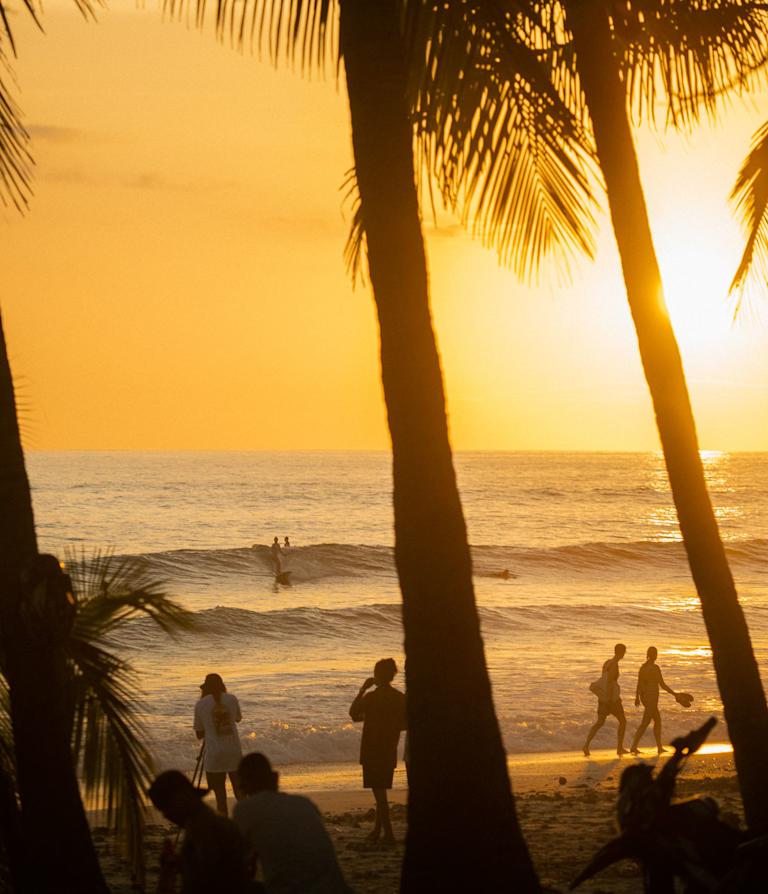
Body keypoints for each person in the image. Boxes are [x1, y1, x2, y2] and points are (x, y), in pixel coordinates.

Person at [233, 753, 352, 893]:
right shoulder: (304, 803)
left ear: (242, 785)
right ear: (275, 779)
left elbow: (239, 861)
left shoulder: (245, 809)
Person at [147, 770, 253, 894]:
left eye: (166, 808)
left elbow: (207, 878)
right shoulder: (203, 823)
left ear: (182, 799)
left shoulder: (204, 829)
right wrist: (179, 863)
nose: (166, 816)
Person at [349, 658, 406, 845]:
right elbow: (409, 720)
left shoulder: (371, 697)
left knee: (379, 793)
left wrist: (362, 690)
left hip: (372, 749)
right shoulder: (399, 697)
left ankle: (388, 834)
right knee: (381, 790)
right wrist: (394, 727)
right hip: (389, 748)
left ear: (376, 676)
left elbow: (353, 713)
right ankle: (377, 830)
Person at [194, 673, 243, 815]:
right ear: (222, 686)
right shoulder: (232, 699)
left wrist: (209, 728)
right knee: (240, 794)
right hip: (234, 753)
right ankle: (248, 824)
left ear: (205, 688)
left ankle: (224, 829)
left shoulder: (201, 704)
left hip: (214, 756)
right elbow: (238, 719)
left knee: (220, 797)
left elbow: (199, 734)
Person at [630, 646, 680, 755]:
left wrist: (637, 697)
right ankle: (634, 746)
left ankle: (659, 747)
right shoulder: (655, 668)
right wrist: (674, 694)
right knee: (646, 722)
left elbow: (639, 684)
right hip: (652, 697)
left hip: (645, 697)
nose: (656, 655)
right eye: (655, 653)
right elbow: (662, 684)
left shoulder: (643, 667)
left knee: (657, 720)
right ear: (654, 655)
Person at [583, 643, 627, 757]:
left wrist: (603, 698)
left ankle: (586, 745)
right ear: (622, 653)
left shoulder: (607, 662)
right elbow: (609, 683)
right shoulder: (615, 665)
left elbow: (603, 679)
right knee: (623, 721)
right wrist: (609, 699)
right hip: (611, 699)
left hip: (602, 698)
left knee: (599, 723)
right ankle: (619, 748)